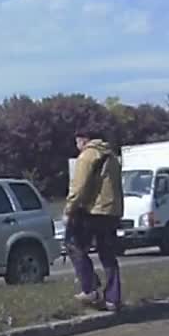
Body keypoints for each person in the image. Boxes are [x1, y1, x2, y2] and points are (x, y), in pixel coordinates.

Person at [64, 128, 124, 312]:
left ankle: (89, 288)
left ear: (83, 140)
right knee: (108, 255)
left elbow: (79, 187)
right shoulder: (112, 157)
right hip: (112, 211)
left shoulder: (87, 156)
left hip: (93, 211)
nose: (77, 146)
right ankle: (113, 299)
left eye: (77, 142)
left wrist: (69, 209)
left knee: (73, 245)